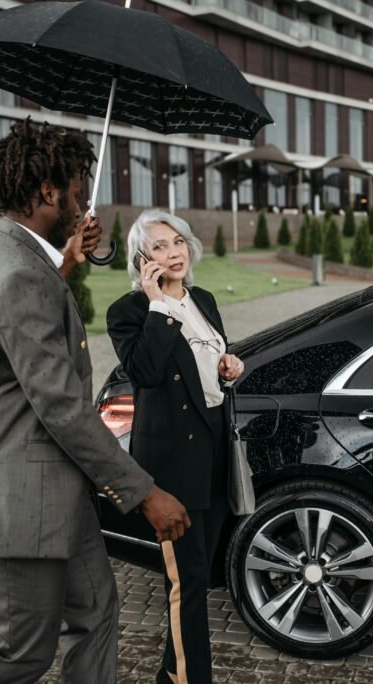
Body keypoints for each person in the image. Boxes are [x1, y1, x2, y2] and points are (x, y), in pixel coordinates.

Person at [0, 120, 191, 684]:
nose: (84, 200)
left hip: (61, 492)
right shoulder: (16, 275)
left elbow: (23, 328)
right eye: (77, 189)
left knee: (99, 613)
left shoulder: (10, 257)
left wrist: (65, 261)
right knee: (19, 651)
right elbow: (58, 404)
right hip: (19, 497)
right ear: (46, 193)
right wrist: (144, 492)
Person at [107, 210, 245, 684]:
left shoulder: (203, 298)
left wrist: (228, 368)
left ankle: (172, 674)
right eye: (161, 246)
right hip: (171, 469)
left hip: (212, 457)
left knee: (196, 580)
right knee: (185, 584)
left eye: (178, 242)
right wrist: (158, 306)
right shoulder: (128, 312)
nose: (175, 252)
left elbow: (207, 368)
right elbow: (144, 373)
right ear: (143, 260)